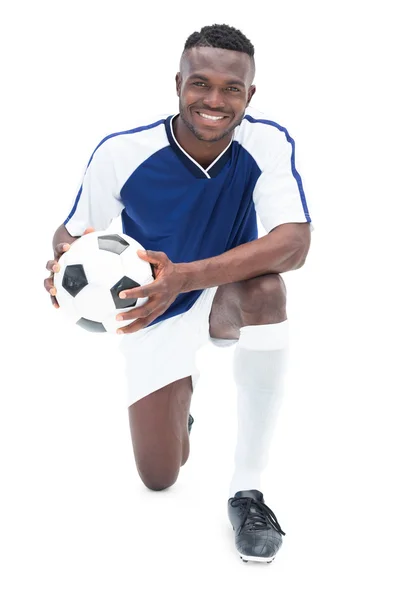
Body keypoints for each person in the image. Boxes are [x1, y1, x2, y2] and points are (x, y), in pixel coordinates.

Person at [44, 23, 312, 564]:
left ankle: (248, 490)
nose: (214, 100)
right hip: (152, 310)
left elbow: (294, 244)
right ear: (178, 84)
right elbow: (73, 231)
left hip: (219, 294)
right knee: (160, 477)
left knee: (267, 290)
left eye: (231, 89)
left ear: (249, 95)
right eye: (200, 84)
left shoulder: (266, 142)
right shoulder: (122, 152)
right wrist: (64, 266)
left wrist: (187, 277)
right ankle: (177, 401)